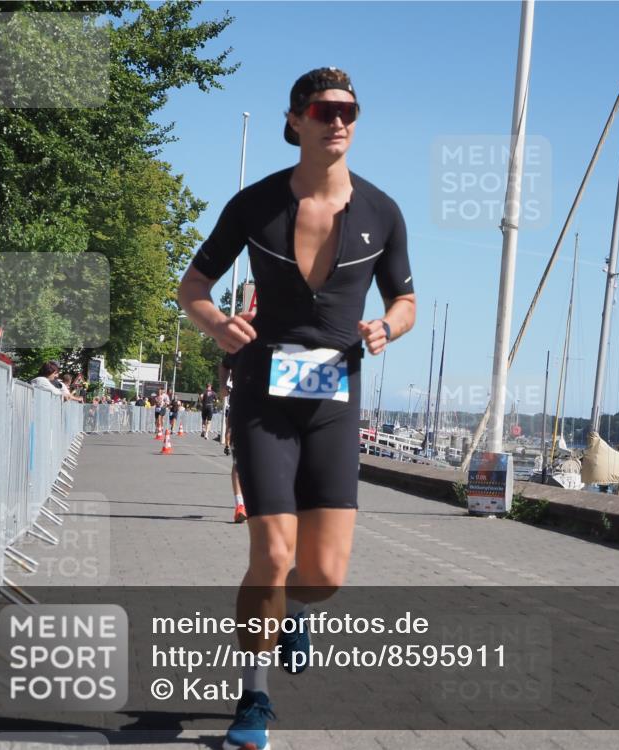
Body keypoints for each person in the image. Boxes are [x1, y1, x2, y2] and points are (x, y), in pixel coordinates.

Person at [178, 67, 415, 750]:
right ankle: (253, 699)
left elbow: (405, 300)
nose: (337, 119)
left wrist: (386, 328)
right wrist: (215, 325)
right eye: (323, 108)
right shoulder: (254, 204)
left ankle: (291, 615)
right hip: (263, 399)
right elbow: (193, 284)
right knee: (273, 554)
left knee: (325, 575)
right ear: (297, 119)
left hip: (336, 402)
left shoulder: (382, 211)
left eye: (349, 109)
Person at [219, 354, 247, 523]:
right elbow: (223, 364)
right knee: (239, 461)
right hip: (241, 409)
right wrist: (223, 385)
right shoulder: (239, 345)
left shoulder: (276, 342)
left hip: (269, 413)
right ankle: (240, 506)